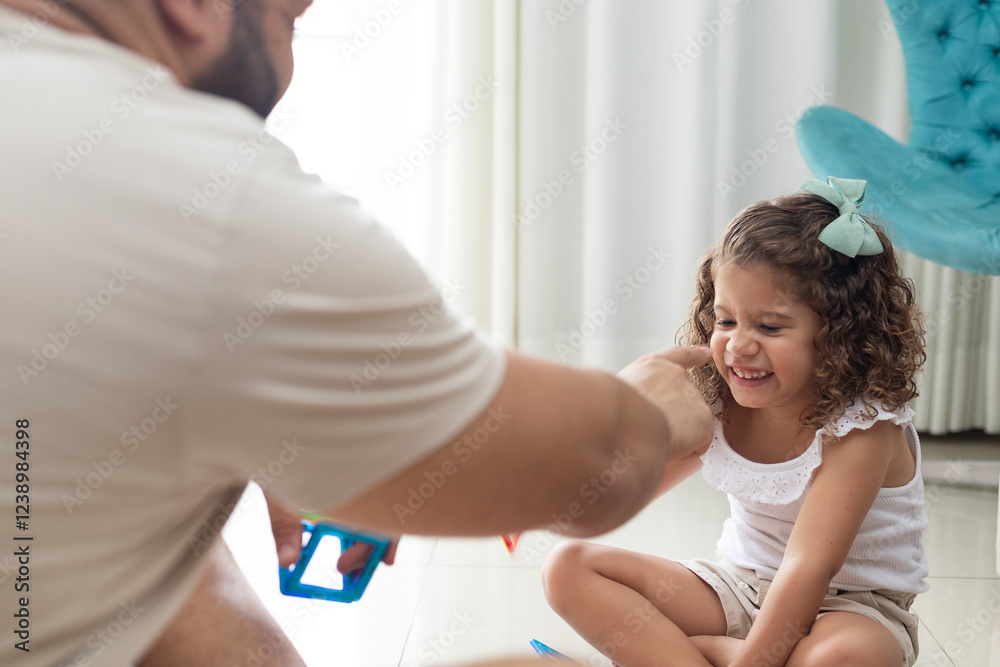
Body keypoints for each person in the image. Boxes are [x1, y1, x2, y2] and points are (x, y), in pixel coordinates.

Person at [0, 0, 714, 665]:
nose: (287, 70)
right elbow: (594, 472)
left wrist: (233, 419)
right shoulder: (208, 196)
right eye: (288, 22)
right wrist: (656, 409)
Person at [542, 177, 929, 667]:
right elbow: (617, 493)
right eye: (725, 321)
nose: (739, 344)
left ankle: (695, 659)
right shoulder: (718, 404)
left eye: (768, 326)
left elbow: (809, 566)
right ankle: (708, 656)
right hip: (739, 587)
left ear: (840, 335)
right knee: (569, 567)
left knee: (841, 656)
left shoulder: (863, 428)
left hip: (851, 608)